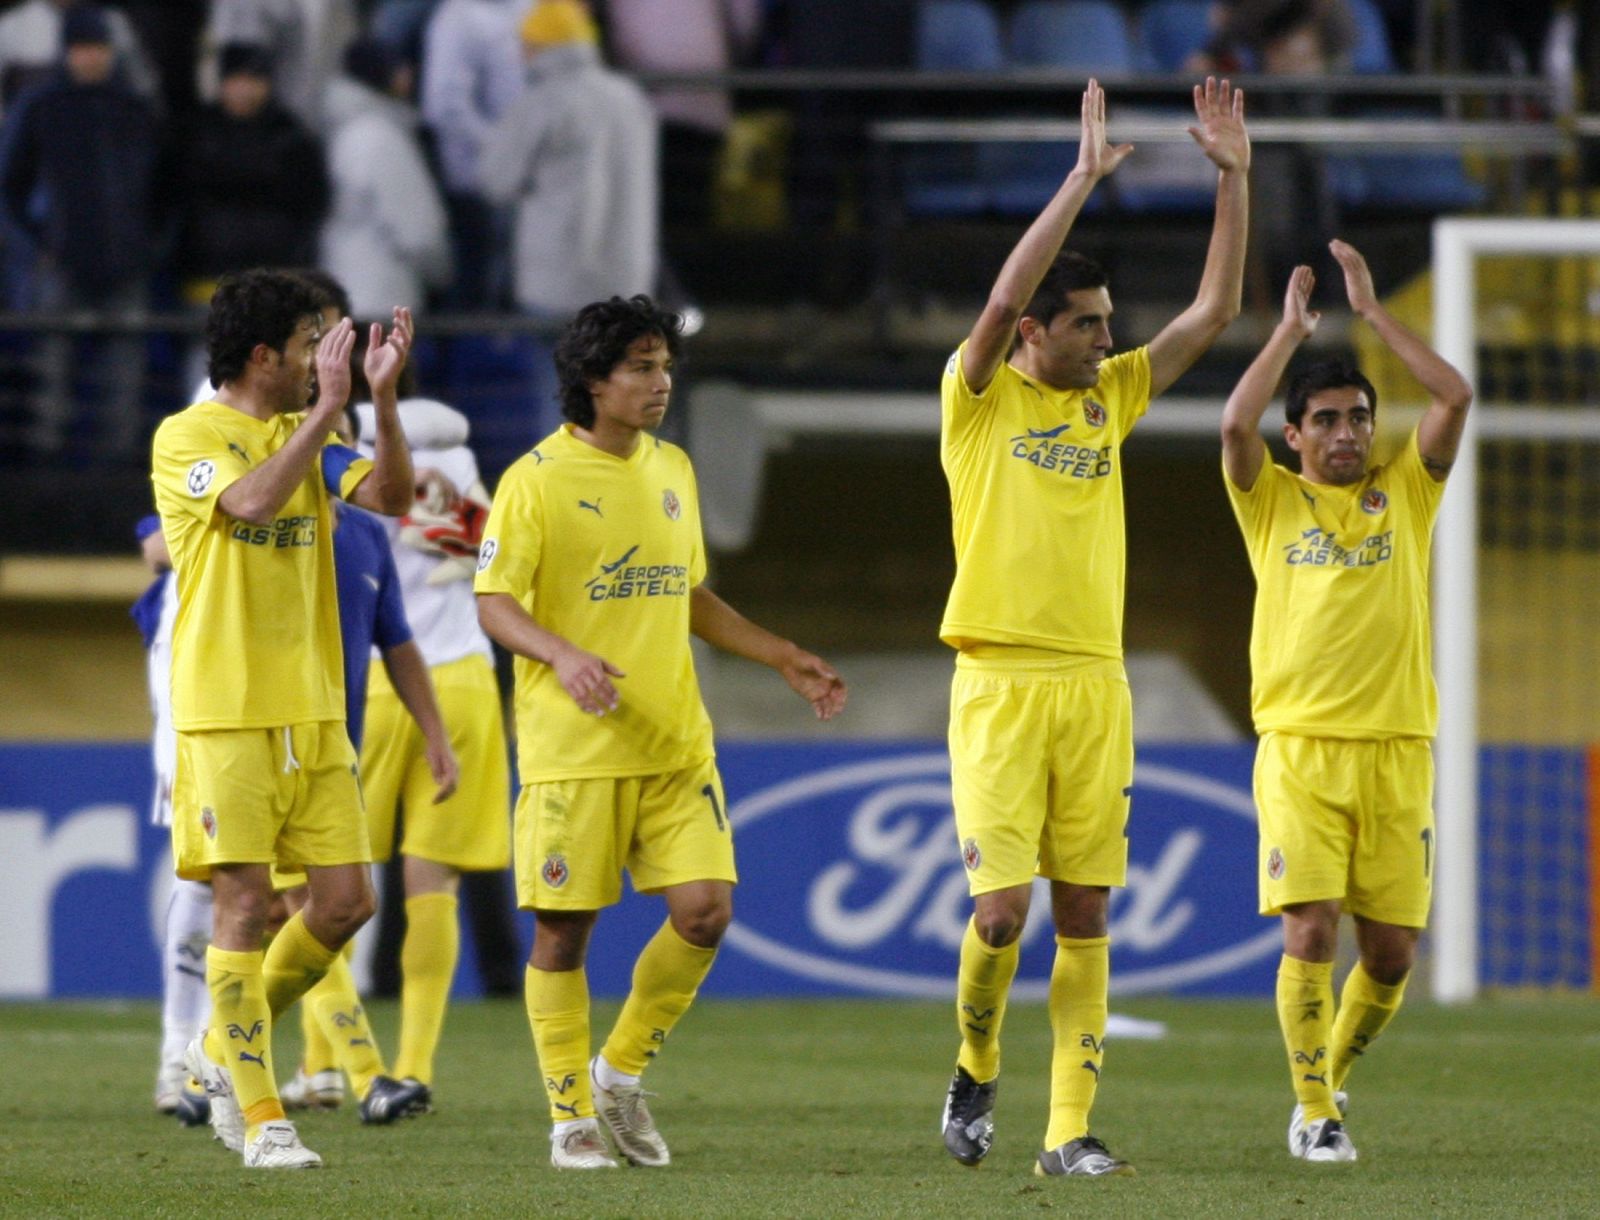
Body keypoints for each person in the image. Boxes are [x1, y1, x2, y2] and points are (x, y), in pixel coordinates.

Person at [935, 78, 1249, 1178]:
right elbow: (994, 300)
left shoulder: (1106, 398)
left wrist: (1233, 177)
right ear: (1033, 331)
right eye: (1087, 324)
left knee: (1083, 908)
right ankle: (975, 1058)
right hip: (996, 683)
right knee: (1000, 915)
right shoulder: (977, 397)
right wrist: (1078, 179)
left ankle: (1067, 1129)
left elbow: (1211, 314)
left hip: (1093, 683)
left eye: (1110, 324)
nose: (1107, 340)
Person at [475, 294, 847, 1170]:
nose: (660, 382)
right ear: (593, 381)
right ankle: (568, 1117)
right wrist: (562, 656)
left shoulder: (673, 467)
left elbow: (685, 594)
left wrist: (780, 653)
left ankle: (619, 1073)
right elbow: (494, 602)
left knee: (707, 911)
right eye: (641, 366)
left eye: (665, 365)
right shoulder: (535, 479)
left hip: (676, 742)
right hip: (576, 747)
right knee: (564, 934)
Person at [150, 268, 415, 1168]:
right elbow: (253, 501)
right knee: (247, 903)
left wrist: (377, 400)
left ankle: (220, 1049)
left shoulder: (319, 430)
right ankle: (262, 1119)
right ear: (264, 354)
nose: (320, 358)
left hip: (314, 709)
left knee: (345, 904)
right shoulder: (189, 435)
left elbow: (391, 498)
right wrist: (324, 414)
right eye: (310, 344)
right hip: (227, 712)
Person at [1219, 242, 1472, 1163]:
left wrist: (1372, 315)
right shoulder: (1272, 504)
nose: (1346, 434)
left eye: (1358, 419)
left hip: (1400, 749)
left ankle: (1325, 1077)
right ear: (1298, 436)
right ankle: (1316, 1110)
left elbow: (1453, 398)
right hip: (1300, 749)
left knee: (1395, 953)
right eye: (1325, 420)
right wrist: (1286, 333)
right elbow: (1233, 428)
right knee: (1311, 926)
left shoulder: (1405, 494)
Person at [344, 388, 513, 1110]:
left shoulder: (352, 471)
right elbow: (500, 558)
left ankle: (336, 1065)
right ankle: (414, 1066)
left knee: (332, 891)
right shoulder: (471, 479)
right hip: (466, 684)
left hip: (378, 682)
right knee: (432, 886)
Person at [478, 0, 657, 438]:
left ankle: (569, 503)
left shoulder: (542, 102)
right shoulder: (630, 99)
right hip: (627, 283)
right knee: (623, 408)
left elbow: (494, 180)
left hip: (556, 287)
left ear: (536, 47)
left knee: (561, 405)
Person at [0, 5, 161, 459]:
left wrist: (149, 247)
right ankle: (45, 486)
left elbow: (164, 190)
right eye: (80, 48)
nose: (89, 58)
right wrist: (39, 247)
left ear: (111, 51)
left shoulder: (134, 109)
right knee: (50, 384)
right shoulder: (42, 107)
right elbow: (9, 188)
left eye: (97, 47)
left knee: (124, 388)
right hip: (61, 265)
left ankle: (115, 483)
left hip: (125, 265)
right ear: (65, 52)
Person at [131, 516, 212, 1126]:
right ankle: (181, 1057)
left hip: (290, 704)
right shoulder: (199, 447)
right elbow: (155, 541)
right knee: (209, 880)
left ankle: (219, 1055)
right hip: (200, 725)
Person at [175, 42, 329, 301]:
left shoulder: (292, 138)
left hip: (275, 282)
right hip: (208, 278)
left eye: (253, 80)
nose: (244, 90)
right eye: (236, 80)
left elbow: (311, 206)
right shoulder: (195, 135)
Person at [319, 37, 451, 316]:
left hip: (348, 281)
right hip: (380, 293)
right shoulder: (379, 137)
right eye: (400, 67)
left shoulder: (344, 127)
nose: (409, 75)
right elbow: (417, 230)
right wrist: (442, 274)